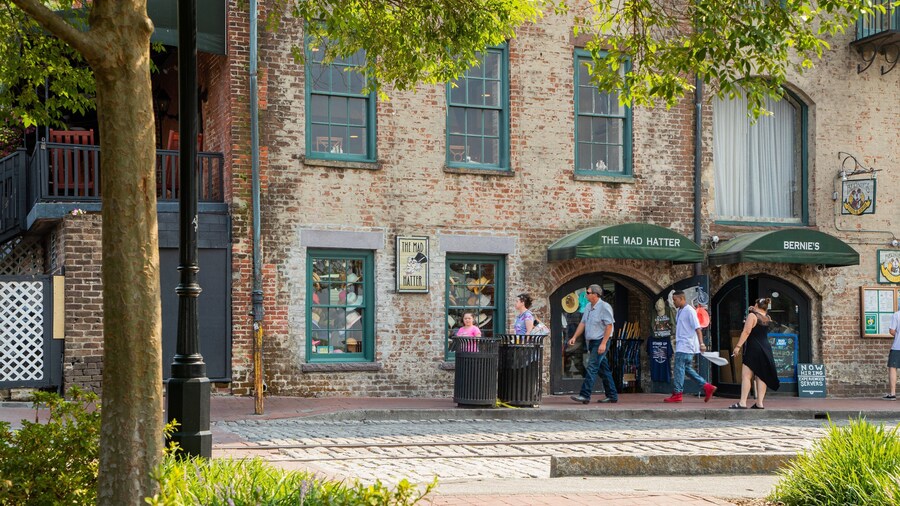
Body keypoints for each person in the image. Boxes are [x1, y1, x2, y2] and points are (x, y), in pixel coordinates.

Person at [568, 284, 618, 404]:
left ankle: (585, 395)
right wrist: (574, 336)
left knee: (592, 367)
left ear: (595, 295)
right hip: (591, 341)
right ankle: (612, 395)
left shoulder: (605, 307)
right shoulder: (588, 307)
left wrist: (603, 343)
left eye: (588, 293)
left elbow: (609, 325)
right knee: (603, 370)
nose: (586, 294)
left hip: (600, 340)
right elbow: (583, 323)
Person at [665, 290, 716, 403]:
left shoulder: (689, 311)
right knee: (687, 369)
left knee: (678, 369)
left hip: (685, 346)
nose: (674, 302)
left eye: (675, 300)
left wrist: (702, 343)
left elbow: (698, 328)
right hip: (683, 345)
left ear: (682, 298)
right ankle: (706, 386)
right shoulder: (680, 311)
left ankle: (677, 393)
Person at [730, 298, 780, 409]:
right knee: (761, 376)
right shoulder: (767, 317)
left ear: (757, 304)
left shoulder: (752, 316)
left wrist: (738, 346)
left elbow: (746, 331)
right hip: (765, 347)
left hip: (754, 347)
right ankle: (759, 403)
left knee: (746, 375)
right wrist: (753, 309)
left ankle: (742, 402)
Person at [885, 305, 900, 400]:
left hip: (898, 346)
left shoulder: (896, 315)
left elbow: (892, 331)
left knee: (893, 368)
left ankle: (892, 394)